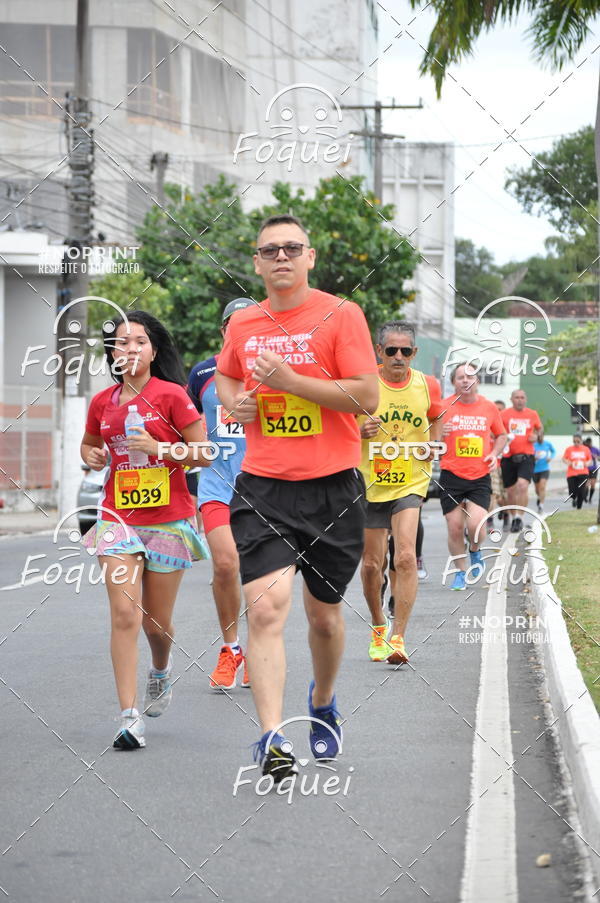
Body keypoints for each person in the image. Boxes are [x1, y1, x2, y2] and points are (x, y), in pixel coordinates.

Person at [215, 214, 378, 781]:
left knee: (325, 620)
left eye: (292, 248)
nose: (280, 257)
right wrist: (237, 402)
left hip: (333, 488)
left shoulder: (342, 314)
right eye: (269, 250)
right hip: (263, 486)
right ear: (257, 262)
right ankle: (270, 737)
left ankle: (323, 701)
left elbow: (364, 395)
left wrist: (290, 383)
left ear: (310, 257)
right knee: (264, 608)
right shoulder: (244, 324)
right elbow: (227, 374)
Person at [80, 311, 211, 750]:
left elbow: (205, 453)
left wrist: (160, 448)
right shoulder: (103, 402)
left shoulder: (172, 396)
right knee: (124, 614)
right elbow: (90, 444)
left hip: (168, 520)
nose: (129, 349)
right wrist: (93, 456)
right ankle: (129, 717)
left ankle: (161, 667)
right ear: (112, 353)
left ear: (154, 350)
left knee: (156, 623)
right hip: (117, 518)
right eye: (121, 342)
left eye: (139, 341)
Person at [358, 321, 442, 663]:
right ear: (379, 351)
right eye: (391, 350)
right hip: (368, 482)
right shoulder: (364, 384)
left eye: (405, 351)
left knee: (405, 556)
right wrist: (360, 431)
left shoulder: (427, 385)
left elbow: (436, 416)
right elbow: (342, 425)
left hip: (410, 480)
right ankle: (378, 623)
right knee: (370, 565)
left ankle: (398, 638)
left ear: (414, 353)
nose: (398, 357)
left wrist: (434, 443)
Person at [188, 297, 254, 691]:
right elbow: (186, 420)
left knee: (259, 576)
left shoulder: (273, 370)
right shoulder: (203, 373)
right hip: (217, 482)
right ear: (223, 330)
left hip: (265, 486)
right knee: (226, 565)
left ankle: (259, 651)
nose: (240, 329)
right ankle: (230, 649)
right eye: (234, 322)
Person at [439, 363, 507, 591]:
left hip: (479, 475)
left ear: (477, 381)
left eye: (470, 377)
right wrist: (438, 433)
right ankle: (460, 572)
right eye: (460, 377)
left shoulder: (488, 407)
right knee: (455, 527)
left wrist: (494, 453)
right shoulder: (443, 407)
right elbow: (427, 437)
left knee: (477, 526)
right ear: (453, 382)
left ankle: (475, 552)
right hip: (451, 474)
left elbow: (501, 435)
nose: (465, 381)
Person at [500, 389, 542, 533]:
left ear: (526, 399)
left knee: (522, 485)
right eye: (517, 397)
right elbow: (495, 431)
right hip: (507, 457)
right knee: (510, 491)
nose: (520, 400)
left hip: (527, 456)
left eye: (522, 397)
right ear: (511, 399)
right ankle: (513, 518)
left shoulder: (532, 414)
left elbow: (540, 430)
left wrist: (536, 436)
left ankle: (520, 518)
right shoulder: (503, 414)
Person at [563, 434, 592, 509]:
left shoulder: (586, 449)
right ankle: (573, 498)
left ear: (581, 441)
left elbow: (590, 460)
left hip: (583, 473)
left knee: (581, 491)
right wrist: (568, 462)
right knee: (572, 491)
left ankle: (579, 508)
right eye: (574, 441)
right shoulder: (569, 449)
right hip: (571, 474)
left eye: (578, 441)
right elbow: (564, 458)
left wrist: (587, 463)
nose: (576, 443)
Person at [532, 430, 556, 514]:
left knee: (542, 486)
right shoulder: (533, 445)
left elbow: (554, 451)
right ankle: (539, 497)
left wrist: (550, 457)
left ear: (543, 436)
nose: (539, 438)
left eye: (540, 436)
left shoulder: (547, 444)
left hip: (545, 469)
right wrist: (533, 458)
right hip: (534, 469)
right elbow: (529, 454)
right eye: (538, 437)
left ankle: (541, 506)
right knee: (537, 489)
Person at [583, 437, 600, 503]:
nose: (589, 444)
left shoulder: (595, 449)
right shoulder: (585, 449)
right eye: (588, 443)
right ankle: (585, 497)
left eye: (590, 443)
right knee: (587, 484)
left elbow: (599, 458)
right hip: (586, 469)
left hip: (594, 469)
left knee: (593, 484)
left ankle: (590, 498)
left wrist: (596, 456)